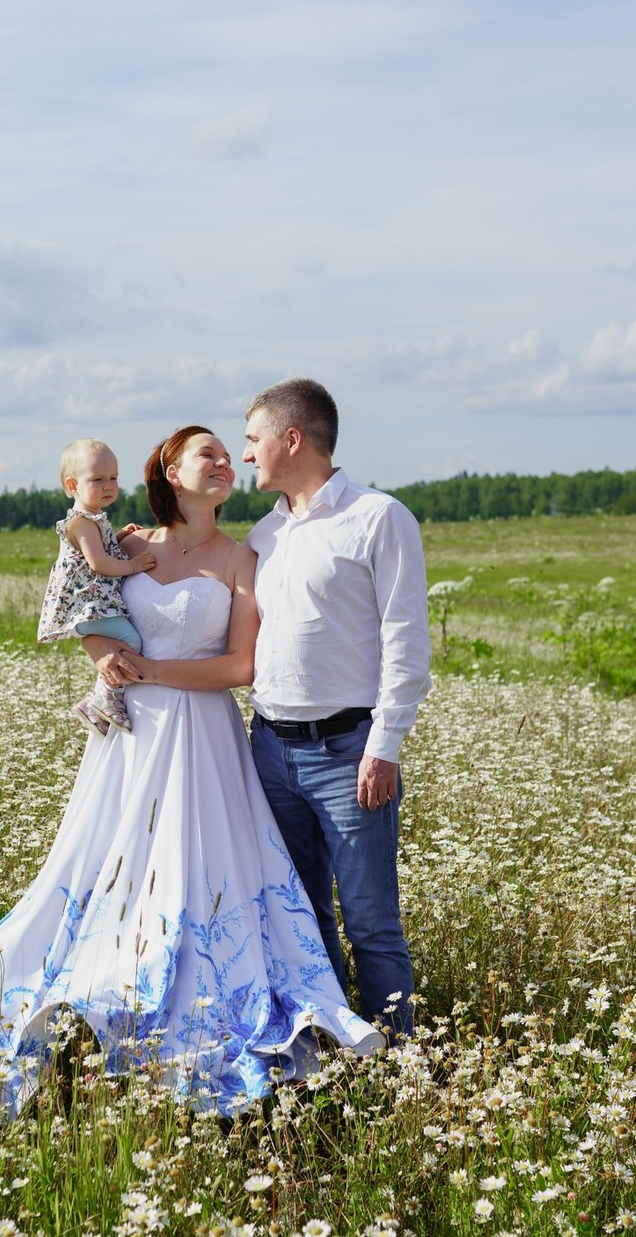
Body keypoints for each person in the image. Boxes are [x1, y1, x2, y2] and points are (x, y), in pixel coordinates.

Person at [0, 425, 383, 1116]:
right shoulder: (125, 544)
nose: (223, 463)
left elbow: (241, 668)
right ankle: (107, 976)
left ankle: (199, 996)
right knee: (112, 860)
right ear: (170, 471)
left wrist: (153, 670)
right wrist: (102, 656)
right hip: (132, 736)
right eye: (207, 455)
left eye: (228, 455)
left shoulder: (243, 559)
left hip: (205, 735)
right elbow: (83, 606)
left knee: (205, 867)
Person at [241, 379, 432, 1038]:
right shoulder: (263, 534)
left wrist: (385, 746)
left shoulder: (379, 517)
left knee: (372, 920)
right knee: (303, 915)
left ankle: (401, 1067)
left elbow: (406, 641)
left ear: (291, 439)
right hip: (268, 749)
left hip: (349, 752)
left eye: (252, 439)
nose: (245, 456)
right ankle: (330, 1044)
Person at [37, 438, 156, 736]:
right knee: (132, 642)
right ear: (73, 485)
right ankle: (103, 698)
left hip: (92, 602)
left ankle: (99, 703)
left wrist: (119, 534)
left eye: (113, 478)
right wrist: (133, 565)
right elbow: (99, 563)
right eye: (98, 479)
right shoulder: (82, 522)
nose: (108, 485)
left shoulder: (92, 520)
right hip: (88, 605)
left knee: (126, 642)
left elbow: (100, 548)